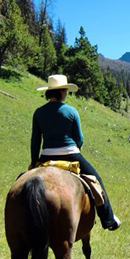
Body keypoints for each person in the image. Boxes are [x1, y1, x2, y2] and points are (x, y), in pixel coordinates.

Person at [30, 74, 121, 231]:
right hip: (71, 154)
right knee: (96, 180)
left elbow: (35, 140)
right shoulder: (71, 111)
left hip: (46, 155)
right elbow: (79, 139)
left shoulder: (38, 113)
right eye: (66, 90)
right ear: (62, 91)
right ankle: (108, 219)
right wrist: (74, 151)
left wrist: (34, 161)